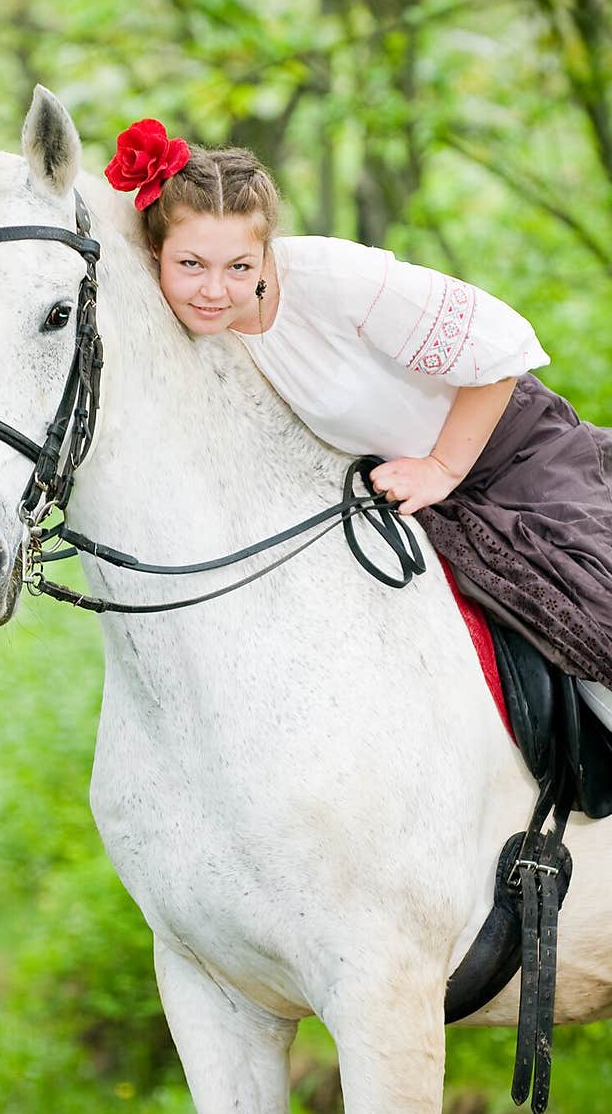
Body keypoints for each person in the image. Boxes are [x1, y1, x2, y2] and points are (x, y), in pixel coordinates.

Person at [104, 118, 612, 731]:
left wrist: (442, 467)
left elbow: (504, 347)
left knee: (589, 634)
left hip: (519, 454)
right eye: (192, 264)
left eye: (239, 266)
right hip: (426, 498)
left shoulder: (338, 282)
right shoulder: (190, 320)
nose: (214, 289)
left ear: (265, 253)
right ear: (156, 253)